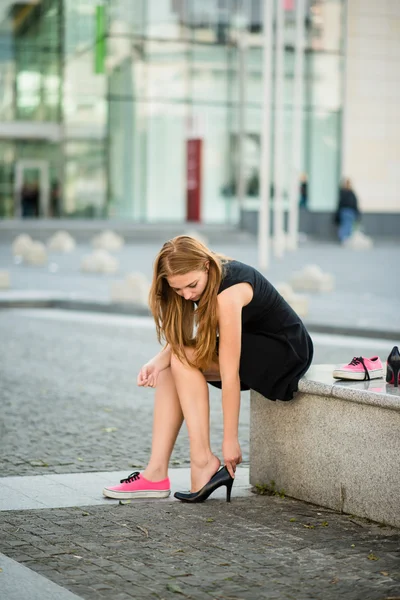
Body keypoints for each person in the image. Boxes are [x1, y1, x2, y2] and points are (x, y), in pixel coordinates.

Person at [103, 236, 314, 503]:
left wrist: (230, 440)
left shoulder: (229, 291)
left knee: (182, 359)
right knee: (173, 361)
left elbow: (229, 372)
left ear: (205, 265)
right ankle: (156, 474)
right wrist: (158, 359)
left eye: (192, 286)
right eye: (179, 291)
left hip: (284, 352)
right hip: (251, 343)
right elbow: (189, 341)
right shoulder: (199, 279)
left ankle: (203, 461)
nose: (188, 295)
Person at [335, 177, 361, 243]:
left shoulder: (344, 192)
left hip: (347, 211)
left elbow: (340, 203)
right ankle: (345, 239)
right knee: (347, 225)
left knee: (346, 225)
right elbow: (354, 203)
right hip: (348, 211)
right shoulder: (350, 193)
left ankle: (344, 239)